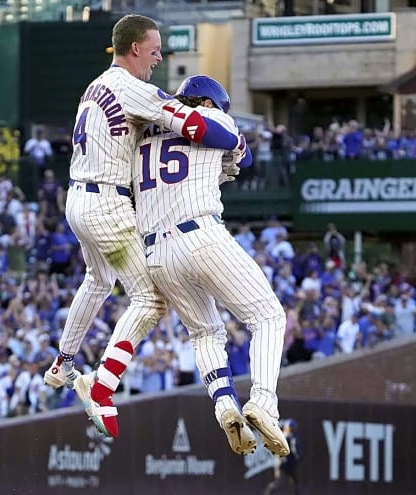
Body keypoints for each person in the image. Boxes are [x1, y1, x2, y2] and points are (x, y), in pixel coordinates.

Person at [43, 14, 249, 435]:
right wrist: (235, 140)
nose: (158, 58)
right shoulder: (132, 88)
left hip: (79, 199)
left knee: (98, 282)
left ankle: (63, 363)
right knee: (151, 298)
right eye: (154, 50)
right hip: (108, 207)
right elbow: (192, 123)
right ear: (135, 48)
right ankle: (102, 387)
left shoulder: (96, 84)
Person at [82, 75, 288, 456]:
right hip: (201, 233)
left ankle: (225, 405)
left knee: (206, 333)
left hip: (157, 252)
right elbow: (246, 156)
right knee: (268, 316)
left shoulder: (141, 136)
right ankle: (262, 402)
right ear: (208, 103)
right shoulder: (214, 121)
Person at [264, 419, 301, 495]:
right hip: (284, 462)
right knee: (279, 482)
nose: (293, 429)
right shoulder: (287, 436)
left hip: (286, 462)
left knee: (294, 482)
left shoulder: (289, 436)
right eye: (292, 427)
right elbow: (294, 451)